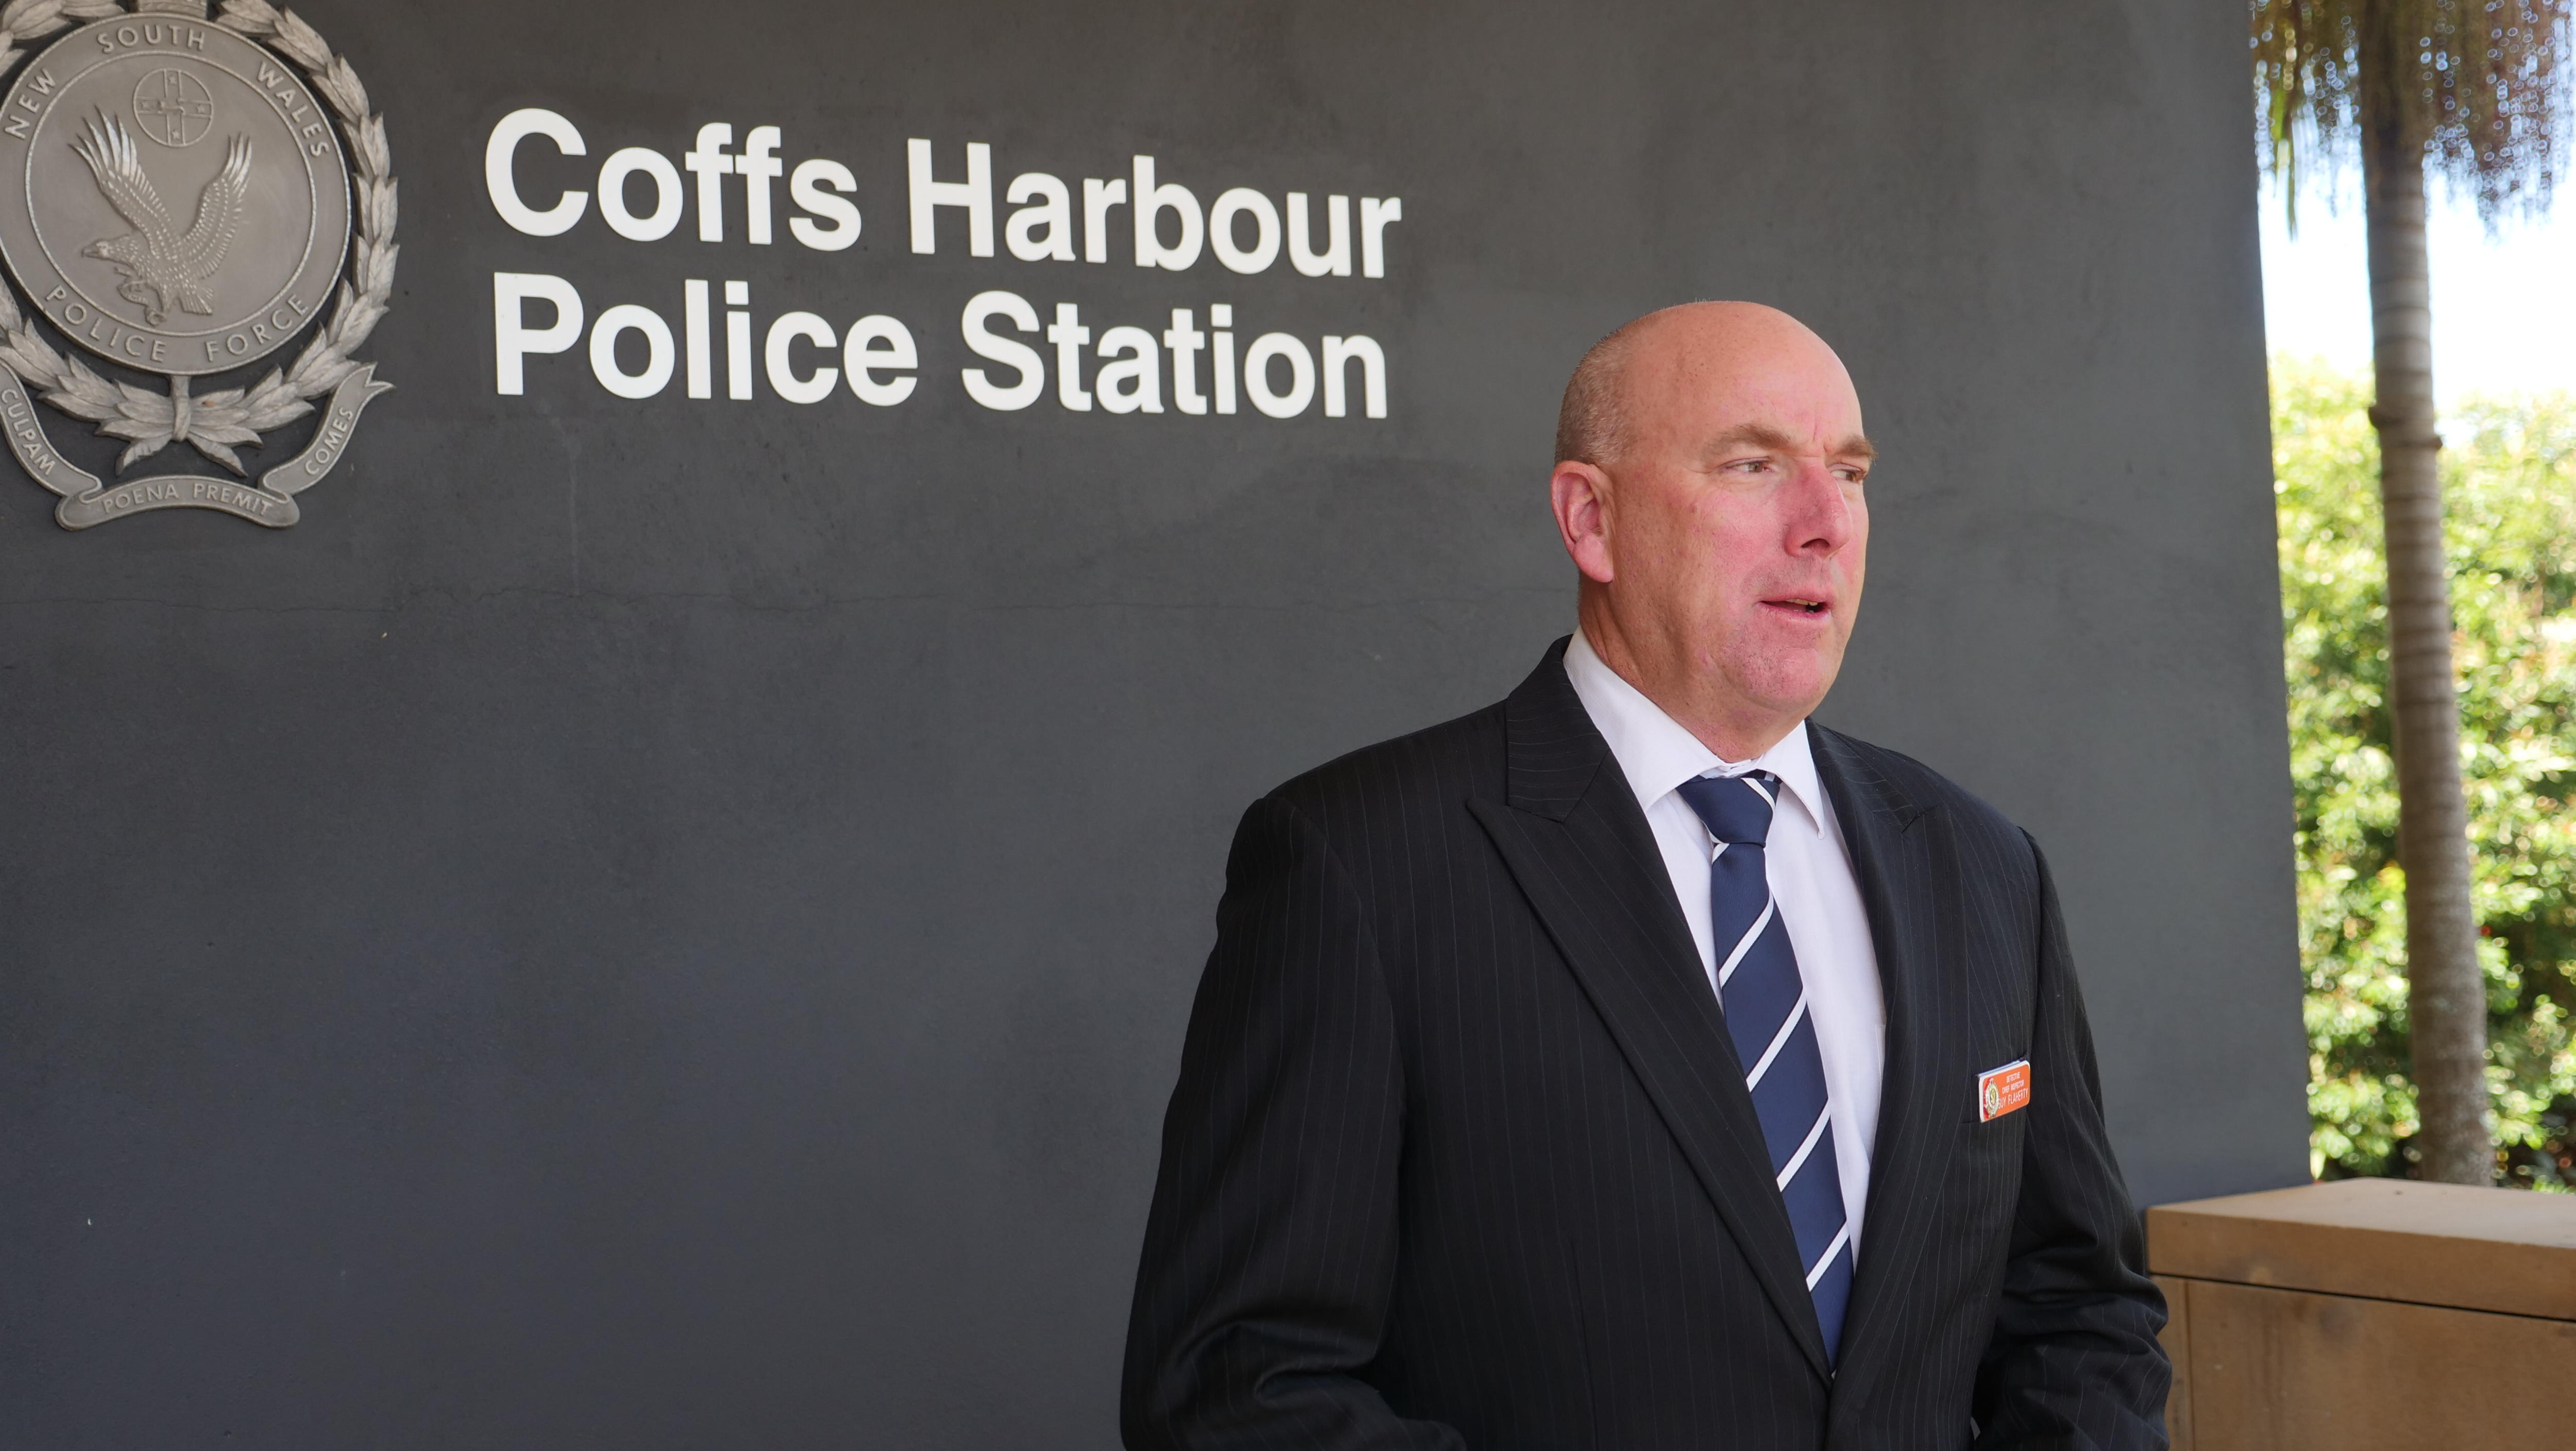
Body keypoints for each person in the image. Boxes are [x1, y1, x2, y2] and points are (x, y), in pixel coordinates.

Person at [1121, 302, 2170, 1449]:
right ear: (1591, 519)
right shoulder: (1357, 864)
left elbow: (2078, 1313)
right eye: (1753, 464)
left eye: (1851, 471)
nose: (1826, 523)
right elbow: (1237, 1385)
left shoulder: (1979, 864)